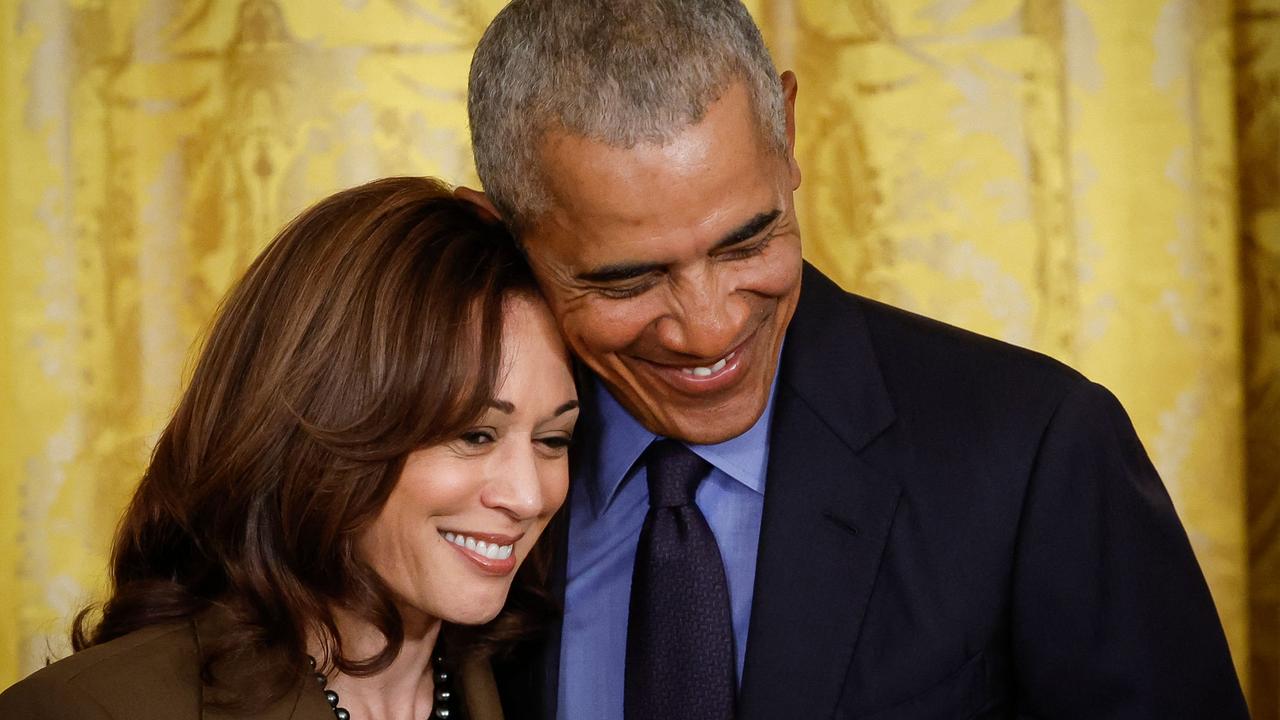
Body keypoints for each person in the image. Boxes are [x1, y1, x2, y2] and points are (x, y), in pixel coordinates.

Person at [461, 1, 1250, 718]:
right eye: (629, 277)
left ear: (790, 135)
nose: (708, 330)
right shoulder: (441, 474)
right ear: (507, 233)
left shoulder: (1038, 448)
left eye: (748, 241)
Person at [0, 177, 580, 720]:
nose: (528, 496)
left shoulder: (549, 685)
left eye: (553, 439)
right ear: (328, 423)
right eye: (474, 434)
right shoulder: (89, 709)